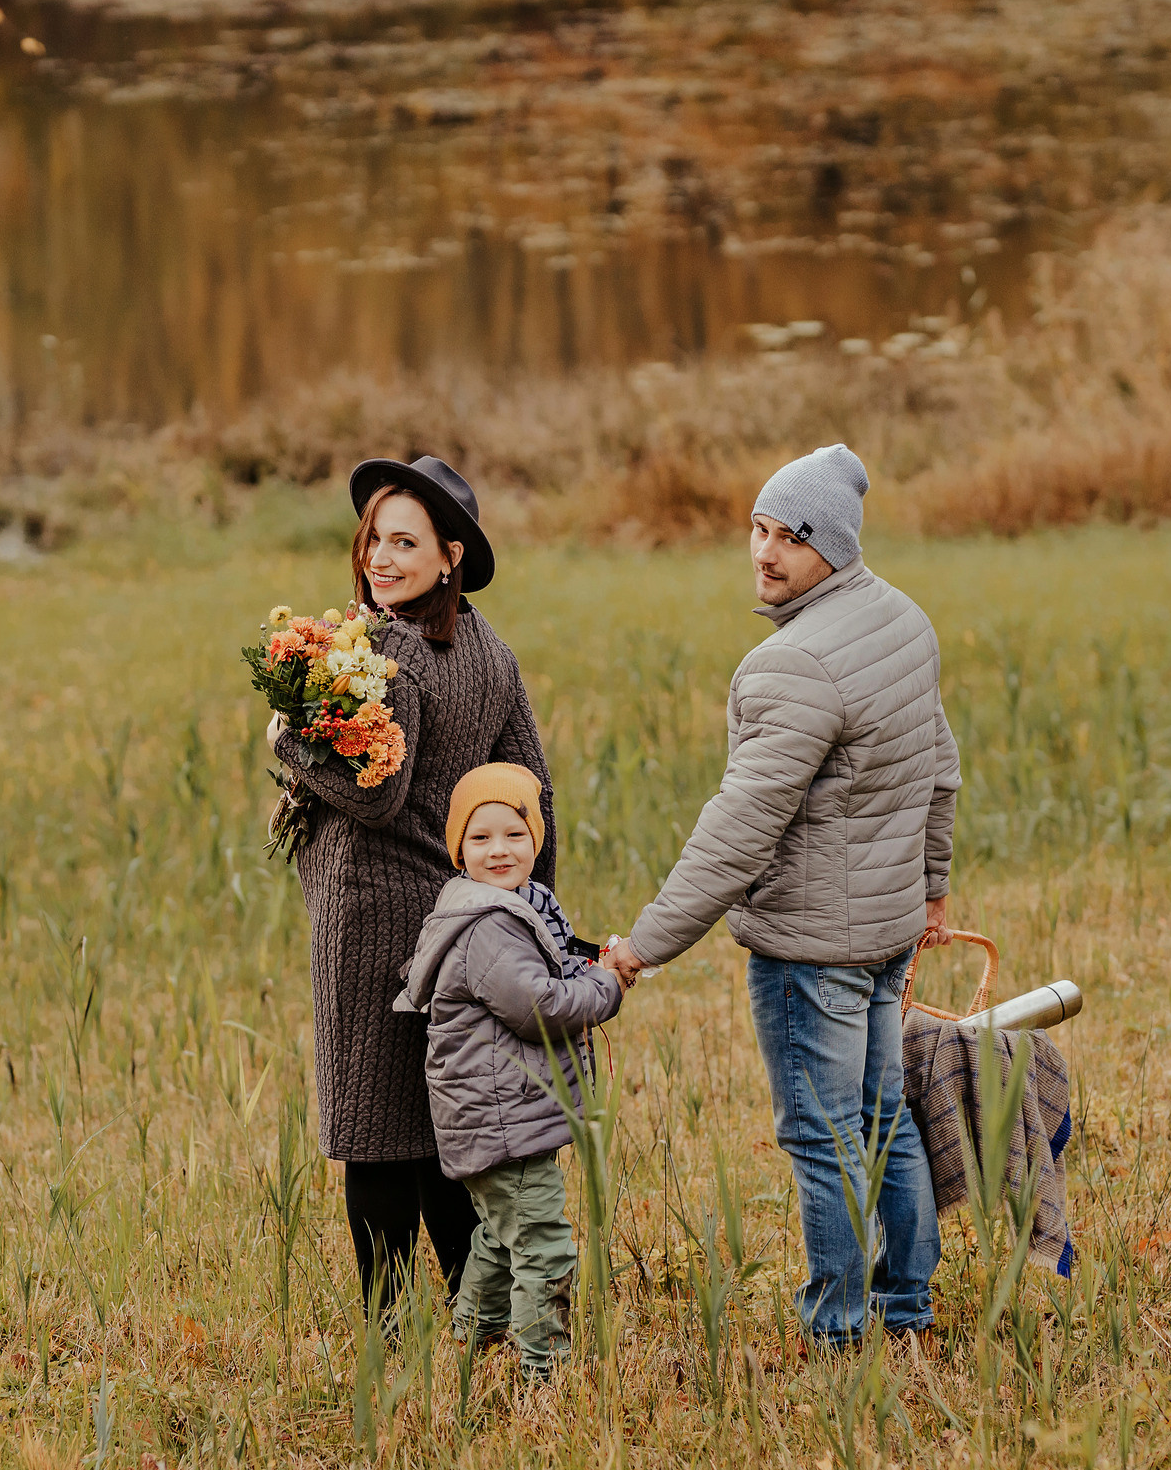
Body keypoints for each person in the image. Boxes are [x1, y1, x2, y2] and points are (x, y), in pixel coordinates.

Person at [605, 443, 960, 1350]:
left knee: (825, 1135)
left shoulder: (794, 665)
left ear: (833, 547)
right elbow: (942, 771)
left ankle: (841, 1331)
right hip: (883, 931)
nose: (764, 552)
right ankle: (906, 1309)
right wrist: (927, 891)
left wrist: (644, 944)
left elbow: (739, 828)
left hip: (813, 951)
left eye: (790, 537)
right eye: (758, 529)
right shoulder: (903, 619)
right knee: (885, 1117)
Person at [270, 455, 558, 1316]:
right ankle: (488, 1319)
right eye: (373, 541)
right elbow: (533, 786)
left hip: (373, 919)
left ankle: (390, 1334)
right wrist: (530, 912)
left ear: (452, 555)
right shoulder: (487, 647)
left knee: (373, 1135)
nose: (380, 560)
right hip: (457, 925)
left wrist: (291, 739)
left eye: (406, 542)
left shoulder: (391, 645)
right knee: (437, 1131)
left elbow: (376, 791)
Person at [393, 764, 633, 1381]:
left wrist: (589, 967)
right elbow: (541, 1008)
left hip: (500, 1114)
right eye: (480, 839)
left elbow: (551, 975)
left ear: (537, 840)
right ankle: (541, 1375)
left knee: (503, 1237)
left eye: (513, 834)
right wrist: (606, 986)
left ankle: (472, 1339)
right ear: (458, 850)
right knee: (544, 1246)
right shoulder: (490, 927)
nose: (499, 850)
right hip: (500, 1120)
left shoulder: (522, 909)